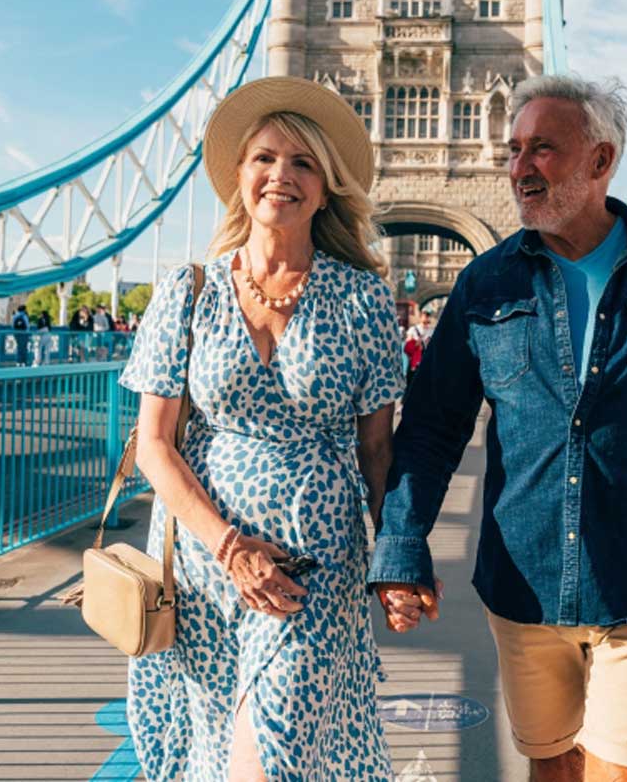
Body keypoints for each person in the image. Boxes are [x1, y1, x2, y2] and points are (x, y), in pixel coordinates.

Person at [369, 75, 627, 782]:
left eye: (543, 149)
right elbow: (432, 429)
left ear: (601, 160)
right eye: (514, 150)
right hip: (524, 580)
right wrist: (402, 547)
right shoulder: (486, 284)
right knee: (552, 771)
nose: (520, 167)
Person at [117, 77, 400, 781]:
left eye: (304, 163)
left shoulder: (362, 298)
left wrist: (398, 556)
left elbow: (377, 448)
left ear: (327, 189)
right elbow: (153, 443)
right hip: (204, 568)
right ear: (239, 178)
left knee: (270, 760)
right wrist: (229, 548)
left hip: (311, 569)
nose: (282, 175)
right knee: (213, 755)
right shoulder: (188, 292)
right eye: (265, 159)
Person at [403, 309, 434, 390]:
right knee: (412, 382)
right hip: (414, 361)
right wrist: (417, 344)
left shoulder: (432, 331)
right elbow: (407, 347)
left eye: (428, 316)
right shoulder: (413, 330)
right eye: (425, 315)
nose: (426, 318)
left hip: (426, 359)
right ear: (420, 317)